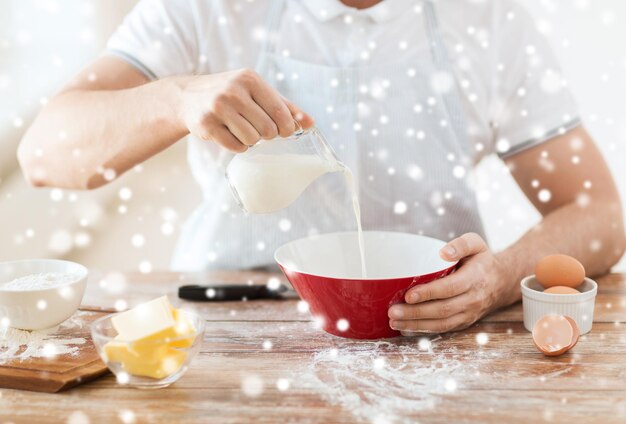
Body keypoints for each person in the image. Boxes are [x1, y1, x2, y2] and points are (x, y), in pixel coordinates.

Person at [17, 0, 625, 334]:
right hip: (230, 321)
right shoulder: (205, 8)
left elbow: (601, 215)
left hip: (431, 329)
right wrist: (176, 99)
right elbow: (44, 154)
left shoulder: (489, 23)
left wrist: (497, 281)